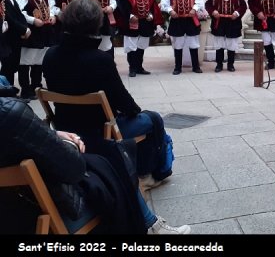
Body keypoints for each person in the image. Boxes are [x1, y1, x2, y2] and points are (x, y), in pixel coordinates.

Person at [0, 97, 190, 234]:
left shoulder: (50, 58)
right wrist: (70, 145)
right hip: (51, 211)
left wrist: (53, 134)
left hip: (12, 212)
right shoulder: (10, 113)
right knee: (114, 162)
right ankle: (150, 224)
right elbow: (74, 169)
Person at [43, 0, 174, 190]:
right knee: (153, 119)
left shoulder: (51, 55)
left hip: (64, 126)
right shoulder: (100, 59)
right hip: (100, 130)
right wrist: (135, 111)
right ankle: (148, 175)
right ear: (97, 23)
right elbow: (126, 104)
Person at [10, 0, 55, 100]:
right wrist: (33, 20)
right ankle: (25, 90)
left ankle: (36, 86)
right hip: (30, 31)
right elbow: (18, 13)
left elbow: (48, 7)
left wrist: (51, 16)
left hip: (43, 31)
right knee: (25, 61)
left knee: (39, 60)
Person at [116, 0, 164, 78]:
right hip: (131, 22)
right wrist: (130, 16)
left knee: (142, 44)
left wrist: (151, 15)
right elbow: (120, 5)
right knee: (131, 45)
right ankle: (132, 68)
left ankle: (139, 67)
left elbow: (152, 4)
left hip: (145, 22)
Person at [160, 0, 205, 75]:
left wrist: (194, 9)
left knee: (193, 43)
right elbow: (163, 3)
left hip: (190, 20)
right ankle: (177, 67)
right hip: (177, 20)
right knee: (178, 44)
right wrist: (170, 11)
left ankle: (196, 67)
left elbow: (200, 1)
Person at [205, 0, 247, 72]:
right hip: (219, 22)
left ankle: (230, 64)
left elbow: (243, 6)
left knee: (231, 44)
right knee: (219, 44)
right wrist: (213, 12)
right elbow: (208, 5)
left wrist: (237, 13)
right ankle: (219, 65)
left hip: (233, 22)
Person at [0, 0, 30, 87]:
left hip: (14, 38)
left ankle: (9, 90)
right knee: (7, 66)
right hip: (5, 38)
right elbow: (8, 17)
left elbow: (19, 14)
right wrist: (23, 30)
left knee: (12, 66)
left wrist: (26, 28)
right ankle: (5, 91)